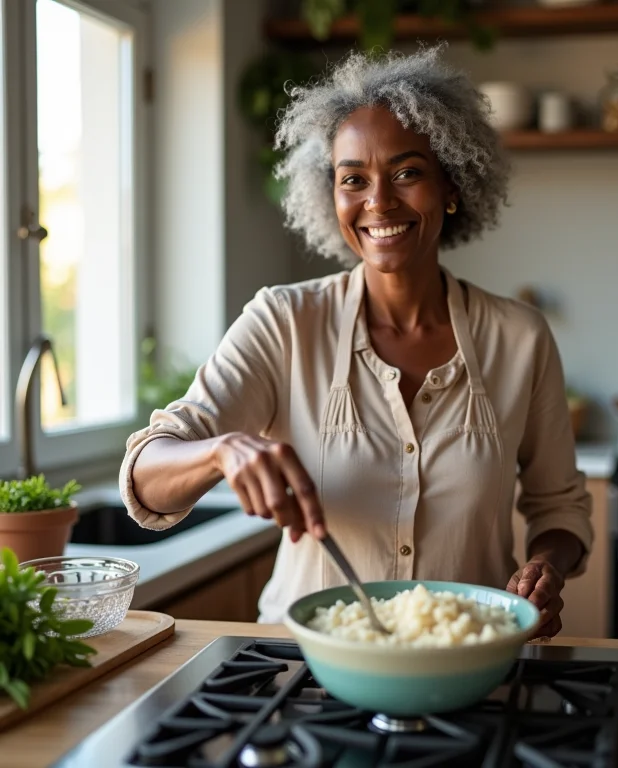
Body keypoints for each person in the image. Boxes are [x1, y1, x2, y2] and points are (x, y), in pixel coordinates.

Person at [119, 45, 593, 637]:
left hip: (470, 664)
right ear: (332, 197)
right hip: (306, 673)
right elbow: (146, 473)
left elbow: (561, 509)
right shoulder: (282, 321)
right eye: (353, 180)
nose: (379, 202)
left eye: (407, 172)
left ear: (451, 184)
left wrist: (545, 567)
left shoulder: (520, 338)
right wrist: (222, 451)